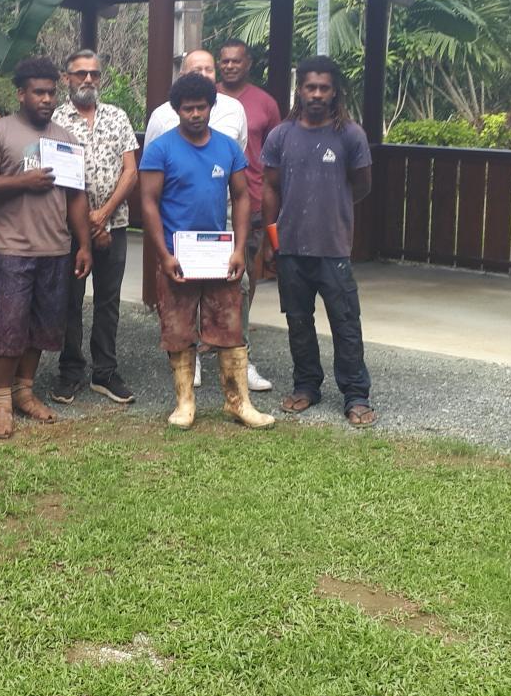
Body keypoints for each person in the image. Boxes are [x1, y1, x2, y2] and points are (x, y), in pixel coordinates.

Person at [0, 57, 92, 440]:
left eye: (52, 92)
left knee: (41, 326)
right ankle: (1, 401)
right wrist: (23, 181)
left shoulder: (66, 138)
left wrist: (83, 244)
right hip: (12, 246)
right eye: (39, 92)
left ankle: (25, 390)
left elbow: (76, 196)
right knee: (8, 324)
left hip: (55, 247)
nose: (47, 99)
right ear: (21, 94)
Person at [140, 73, 273, 431]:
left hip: (219, 255)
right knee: (179, 330)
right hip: (177, 257)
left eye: (201, 107)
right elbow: (148, 203)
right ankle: (185, 403)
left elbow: (243, 196)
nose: (195, 114)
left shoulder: (228, 148)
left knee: (230, 329)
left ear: (212, 107)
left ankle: (238, 402)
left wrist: (239, 249)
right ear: (176, 110)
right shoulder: (160, 149)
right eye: (188, 109)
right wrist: (163, 255)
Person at [260, 55, 376, 427]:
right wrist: (270, 238)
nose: (317, 94)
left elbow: (362, 185)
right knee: (298, 321)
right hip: (291, 247)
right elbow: (270, 189)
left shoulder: (350, 135)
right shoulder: (282, 135)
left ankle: (356, 394)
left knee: (345, 322)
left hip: (333, 249)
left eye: (324, 87)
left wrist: (333, 209)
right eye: (310, 87)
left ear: (334, 91)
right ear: (299, 90)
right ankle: (306, 385)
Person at [51, 48, 139, 406]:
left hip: (114, 224)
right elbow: (55, 175)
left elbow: (130, 170)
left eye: (94, 74)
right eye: (80, 73)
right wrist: (87, 220)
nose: (88, 79)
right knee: (70, 301)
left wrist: (103, 215)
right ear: (66, 78)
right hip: (71, 229)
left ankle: (105, 371)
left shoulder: (117, 117)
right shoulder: (55, 120)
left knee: (108, 300)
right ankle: (70, 370)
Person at [217, 38, 283, 355]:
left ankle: (238, 338)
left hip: (252, 197)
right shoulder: (206, 97)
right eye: (225, 60)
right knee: (206, 270)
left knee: (245, 273)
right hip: (211, 201)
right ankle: (206, 338)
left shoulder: (265, 103)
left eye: (236, 61)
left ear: (248, 63)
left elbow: (276, 153)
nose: (229, 66)